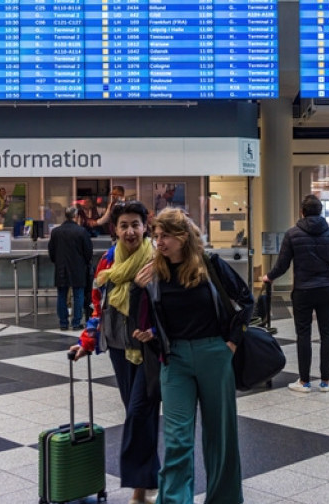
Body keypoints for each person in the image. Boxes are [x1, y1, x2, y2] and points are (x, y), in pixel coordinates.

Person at [134, 208, 253, 504]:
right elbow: (144, 317)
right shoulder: (154, 272)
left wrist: (232, 344)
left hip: (214, 353)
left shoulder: (210, 265)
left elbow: (246, 301)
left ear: (183, 237)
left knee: (220, 436)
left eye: (165, 236)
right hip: (174, 360)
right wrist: (147, 326)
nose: (158, 242)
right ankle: (175, 500)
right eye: (156, 236)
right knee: (177, 439)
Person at [90, 200, 159, 503]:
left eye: (136, 224)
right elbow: (97, 305)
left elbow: (170, 307)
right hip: (118, 346)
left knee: (138, 412)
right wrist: (86, 342)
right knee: (138, 413)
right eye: (124, 225)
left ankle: (139, 489)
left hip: (149, 349)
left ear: (146, 228)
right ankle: (151, 475)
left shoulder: (158, 259)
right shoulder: (107, 262)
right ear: (114, 230)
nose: (130, 231)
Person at [263, 194, 329, 393]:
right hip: (326, 289)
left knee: (303, 335)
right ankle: (326, 381)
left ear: (302, 212)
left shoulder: (293, 234)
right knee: (328, 334)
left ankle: (304, 382)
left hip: (302, 290)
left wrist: (269, 276)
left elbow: (282, 264)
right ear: (320, 211)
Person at [49, 206, 94, 331]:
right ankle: (76, 322)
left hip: (61, 267)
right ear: (76, 217)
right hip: (78, 267)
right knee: (78, 295)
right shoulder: (81, 231)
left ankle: (63, 322)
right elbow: (88, 252)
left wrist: (56, 261)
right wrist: (85, 263)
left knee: (62, 295)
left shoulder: (56, 232)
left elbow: (51, 251)